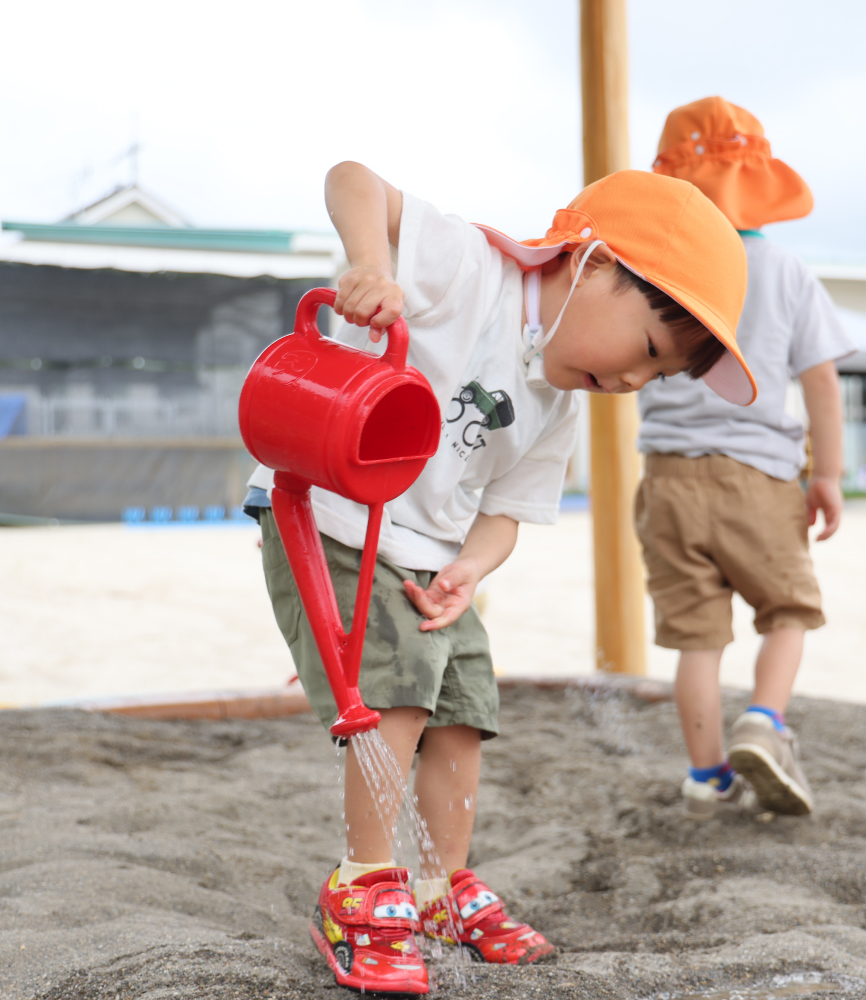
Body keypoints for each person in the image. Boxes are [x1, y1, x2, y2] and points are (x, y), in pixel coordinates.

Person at [244, 161, 754, 993]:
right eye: (649, 349)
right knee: (399, 686)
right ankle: (362, 883)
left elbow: (508, 511)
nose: (633, 381)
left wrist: (471, 570)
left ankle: (438, 885)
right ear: (592, 264)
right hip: (332, 514)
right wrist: (371, 265)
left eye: (655, 377)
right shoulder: (469, 271)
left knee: (465, 706)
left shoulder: (558, 405)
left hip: (432, 555)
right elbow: (352, 180)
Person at [635, 97, 856, 822]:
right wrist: (826, 473)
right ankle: (765, 719)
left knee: (696, 638)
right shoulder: (786, 269)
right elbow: (820, 379)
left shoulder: (657, 269)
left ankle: (706, 776)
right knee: (787, 611)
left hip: (666, 478)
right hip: (758, 475)